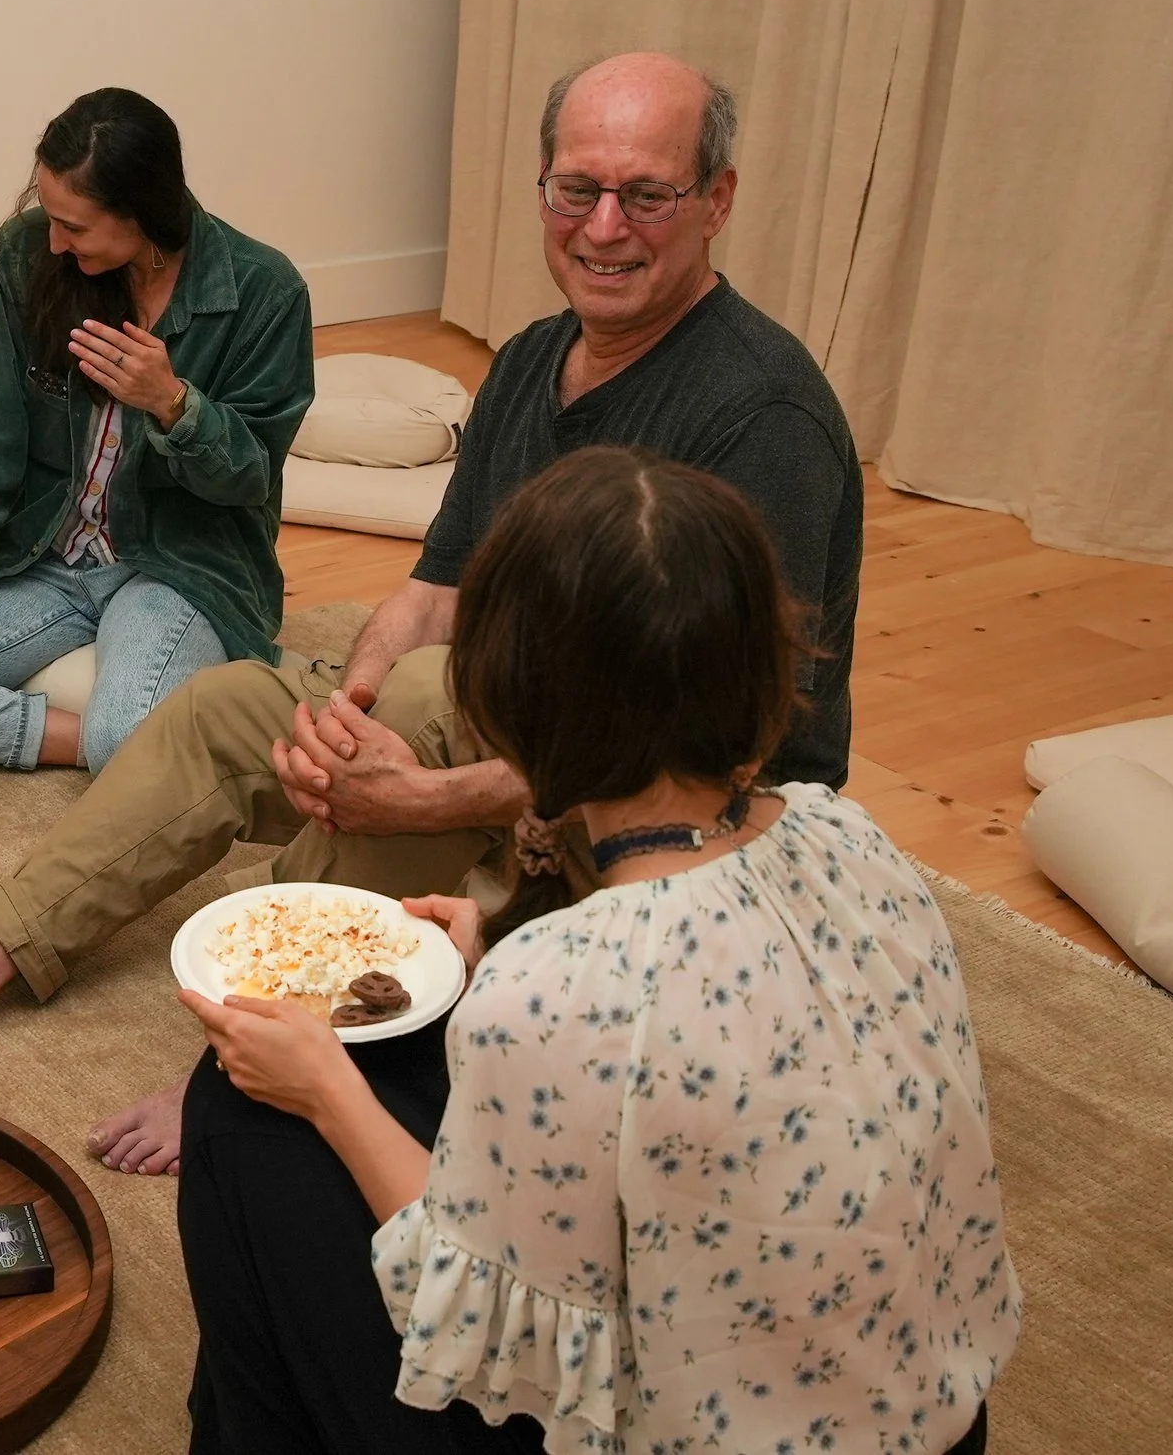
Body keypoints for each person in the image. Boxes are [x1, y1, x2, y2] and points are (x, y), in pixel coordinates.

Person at [0, 51, 865, 1177]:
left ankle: (247, 1065)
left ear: (716, 201)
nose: (603, 226)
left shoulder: (758, 414)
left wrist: (420, 788)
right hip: (517, 719)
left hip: (671, 822)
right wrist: (346, 710)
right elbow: (437, 583)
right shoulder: (537, 358)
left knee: (387, 785)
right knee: (227, 706)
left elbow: (717, 757)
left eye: (646, 194)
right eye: (575, 189)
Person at [174, 446, 1013, 1455]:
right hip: (936, 1422)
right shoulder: (853, 838)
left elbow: (481, 1314)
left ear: (509, 691)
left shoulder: (560, 984)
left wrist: (325, 1091)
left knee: (240, 1101)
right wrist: (502, 974)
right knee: (401, 1043)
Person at [0, 88, 312, 773]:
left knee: (128, 736)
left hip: (174, 569)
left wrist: (175, 404)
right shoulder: (27, 254)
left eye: (77, 228)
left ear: (142, 212)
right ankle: (112, 743)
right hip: (47, 561)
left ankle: (130, 737)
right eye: (50, 216)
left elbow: (249, 478)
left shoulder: (266, 291)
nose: (56, 240)